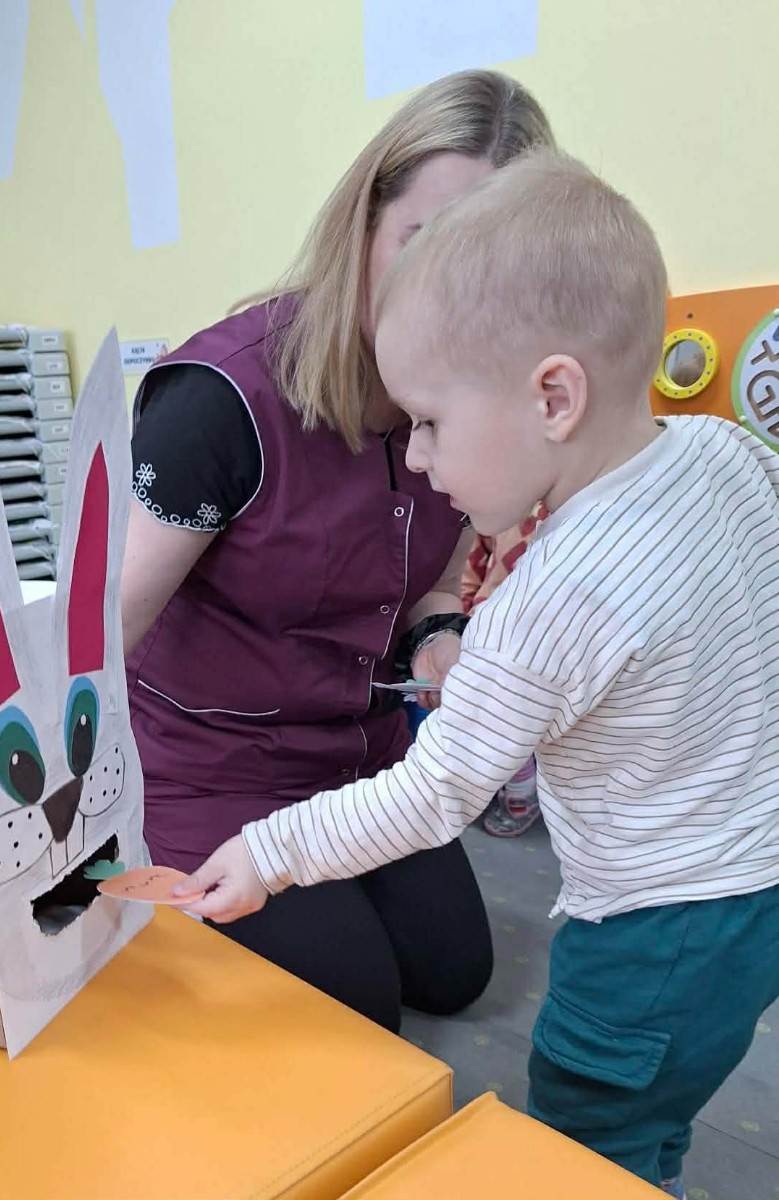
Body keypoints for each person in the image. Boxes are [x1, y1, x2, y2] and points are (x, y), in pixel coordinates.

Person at [175, 152, 779, 1197]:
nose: (413, 457)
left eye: (430, 421)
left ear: (553, 397)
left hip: (648, 937)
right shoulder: (723, 453)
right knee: (659, 1113)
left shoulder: (553, 598)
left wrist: (268, 854)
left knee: (589, 1144)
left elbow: (430, 794)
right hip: (752, 894)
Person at [122, 70, 556, 1032]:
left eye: (489, 268)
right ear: (362, 224)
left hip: (361, 756)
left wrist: (438, 639)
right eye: (424, 245)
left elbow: (434, 581)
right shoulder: (222, 401)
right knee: (360, 1007)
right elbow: (94, 643)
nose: (448, 297)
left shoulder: (468, 402)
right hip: (210, 768)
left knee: (453, 973)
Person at [462, 505, 547, 836]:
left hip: (536, 633)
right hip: (485, 622)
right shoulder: (503, 499)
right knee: (483, 709)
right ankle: (503, 782)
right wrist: (461, 612)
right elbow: (474, 558)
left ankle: (521, 788)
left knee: (512, 715)